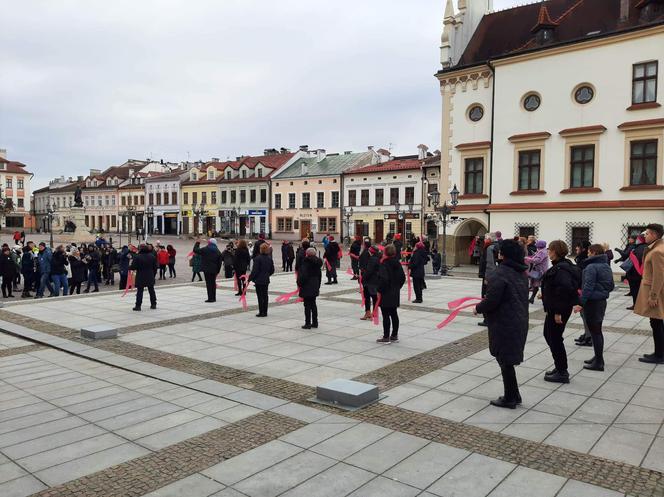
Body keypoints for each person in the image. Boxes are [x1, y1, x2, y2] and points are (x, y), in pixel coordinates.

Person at [474, 239, 529, 409]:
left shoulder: (500, 273)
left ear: (504, 254)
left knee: (505, 360)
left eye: (500, 251)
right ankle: (514, 394)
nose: (498, 253)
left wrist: (479, 307)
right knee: (507, 359)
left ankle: (510, 398)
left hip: (504, 321)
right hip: (518, 318)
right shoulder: (520, 272)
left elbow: (492, 300)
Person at [540, 240, 581, 384]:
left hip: (558, 310)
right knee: (549, 335)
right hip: (556, 308)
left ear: (555, 251)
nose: (548, 252)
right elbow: (558, 288)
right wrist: (544, 294)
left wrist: (558, 312)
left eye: (549, 249)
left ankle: (562, 371)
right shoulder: (562, 266)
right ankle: (559, 367)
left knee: (555, 338)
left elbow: (564, 290)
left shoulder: (561, 269)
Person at [574, 244, 615, 372]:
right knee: (597, 331)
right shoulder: (606, 266)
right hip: (601, 301)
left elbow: (588, 287)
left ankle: (599, 362)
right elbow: (611, 285)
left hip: (592, 303)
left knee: (595, 332)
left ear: (593, 252)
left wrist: (581, 303)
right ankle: (597, 357)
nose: (587, 254)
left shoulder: (591, 267)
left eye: (589, 252)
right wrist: (602, 291)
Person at [634, 223, 664, 364]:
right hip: (654, 291)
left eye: (646, 233)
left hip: (654, 293)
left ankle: (659, 355)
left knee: (656, 322)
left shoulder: (657, 251)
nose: (644, 236)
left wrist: (653, 296)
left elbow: (659, 276)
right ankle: (659, 352)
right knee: (656, 322)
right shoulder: (657, 248)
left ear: (654, 235)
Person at [376, 244, 406, 343]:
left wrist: (379, 290)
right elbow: (403, 278)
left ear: (385, 253)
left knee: (385, 315)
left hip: (386, 292)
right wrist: (397, 287)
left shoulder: (384, 264)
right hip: (394, 292)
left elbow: (384, 279)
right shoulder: (397, 263)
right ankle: (394, 335)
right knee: (394, 313)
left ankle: (386, 337)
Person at [477, 233, 500, 326]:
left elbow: (490, 264)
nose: (484, 240)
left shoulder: (490, 248)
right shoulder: (496, 246)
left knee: (486, 296)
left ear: (490, 239)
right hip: (495, 275)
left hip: (489, 276)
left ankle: (487, 319)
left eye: (486, 238)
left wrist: (488, 277)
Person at [298, 247, 323, 329]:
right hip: (315, 285)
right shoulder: (318, 263)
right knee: (313, 304)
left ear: (307, 254)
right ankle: (315, 322)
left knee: (307, 305)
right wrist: (318, 285)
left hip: (307, 285)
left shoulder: (306, 262)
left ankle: (308, 323)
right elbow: (320, 276)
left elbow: (303, 275)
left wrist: (299, 283)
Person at [193, 238, 223, 303]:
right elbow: (219, 262)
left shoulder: (206, 249)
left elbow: (195, 250)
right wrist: (218, 271)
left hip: (207, 270)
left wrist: (197, 243)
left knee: (209, 284)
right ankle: (213, 298)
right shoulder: (218, 251)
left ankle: (210, 298)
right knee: (213, 283)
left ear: (209, 243)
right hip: (214, 270)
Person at [249, 242, 274, 317]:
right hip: (266, 279)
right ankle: (265, 312)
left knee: (260, 296)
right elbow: (272, 270)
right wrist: (267, 274)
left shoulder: (257, 259)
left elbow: (255, 270)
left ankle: (261, 312)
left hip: (259, 280)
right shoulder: (269, 259)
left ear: (261, 249)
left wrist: (250, 278)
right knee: (265, 295)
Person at [131, 244, 157, 311]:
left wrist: (129, 267)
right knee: (151, 291)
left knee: (140, 291)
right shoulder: (152, 256)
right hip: (150, 275)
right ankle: (153, 304)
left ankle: (138, 306)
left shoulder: (137, 257)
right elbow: (155, 267)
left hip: (140, 275)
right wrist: (153, 274)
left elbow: (133, 267)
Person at [624, 234, 647, 309]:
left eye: (638, 239)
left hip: (635, 273)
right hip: (641, 272)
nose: (637, 240)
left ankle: (636, 305)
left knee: (635, 290)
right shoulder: (646, 247)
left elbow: (638, 260)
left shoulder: (639, 248)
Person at [360, 242, 380, 320]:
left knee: (369, 297)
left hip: (370, 282)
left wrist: (363, 279)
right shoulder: (378, 257)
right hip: (375, 281)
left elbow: (369, 271)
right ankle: (370, 313)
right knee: (373, 297)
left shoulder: (373, 259)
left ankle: (371, 313)